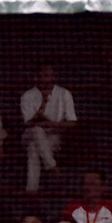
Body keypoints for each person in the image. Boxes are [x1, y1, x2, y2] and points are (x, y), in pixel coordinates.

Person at [20, 64, 76, 192]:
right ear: (37, 77)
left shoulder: (64, 94)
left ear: (54, 77)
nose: (46, 78)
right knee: (36, 130)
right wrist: (41, 109)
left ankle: (31, 190)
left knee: (33, 148)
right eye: (43, 75)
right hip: (29, 134)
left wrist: (52, 125)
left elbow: (72, 122)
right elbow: (27, 123)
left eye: (48, 75)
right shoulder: (27, 96)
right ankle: (52, 167)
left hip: (53, 136)